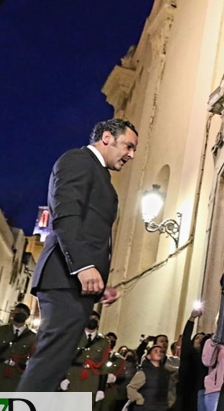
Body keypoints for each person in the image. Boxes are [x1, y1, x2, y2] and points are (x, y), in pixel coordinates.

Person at [11, 118, 137, 396]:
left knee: (54, 369)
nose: (131, 154)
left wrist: (100, 282)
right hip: (63, 279)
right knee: (47, 367)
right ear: (107, 137)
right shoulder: (77, 161)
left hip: (74, 283)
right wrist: (83, 266)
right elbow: (66, 215)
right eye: (128, 146)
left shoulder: (99, 173)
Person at [59, 310, 113, 411]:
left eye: (96, 318)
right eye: (90, 317)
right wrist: (62, 378)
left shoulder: (103, 342)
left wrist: (101, 389)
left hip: (92, 380)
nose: (93, 320)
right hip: (73, 377)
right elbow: (63, 359)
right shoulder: (74, 336)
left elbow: (104, 366)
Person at [0, 304, 37, 393]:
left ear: (27, 317)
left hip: (15, 380)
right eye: (17, 311)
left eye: (23, 312)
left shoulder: (32, 338)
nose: (19, 313)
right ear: (12, 313)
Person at [127, 345, 176, 411]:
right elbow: (131, 388)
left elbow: (169, 389)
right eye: (155, 351)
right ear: (148, 356)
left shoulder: (165, 373)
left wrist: (170, 400)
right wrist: (139, 399)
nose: (159, 353)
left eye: (161, 351)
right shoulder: (143, 372)